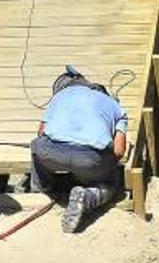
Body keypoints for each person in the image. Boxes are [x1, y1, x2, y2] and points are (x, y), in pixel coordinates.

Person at [30, 67, 128, 233]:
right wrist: (104, 165)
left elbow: (41, 132)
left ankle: (42, 188)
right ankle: (88, 197)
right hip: (89, 159)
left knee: (35, 146)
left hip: (51, 154)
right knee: (111, 183)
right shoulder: (116, 107)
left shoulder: (59, 96)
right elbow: (119, 151)